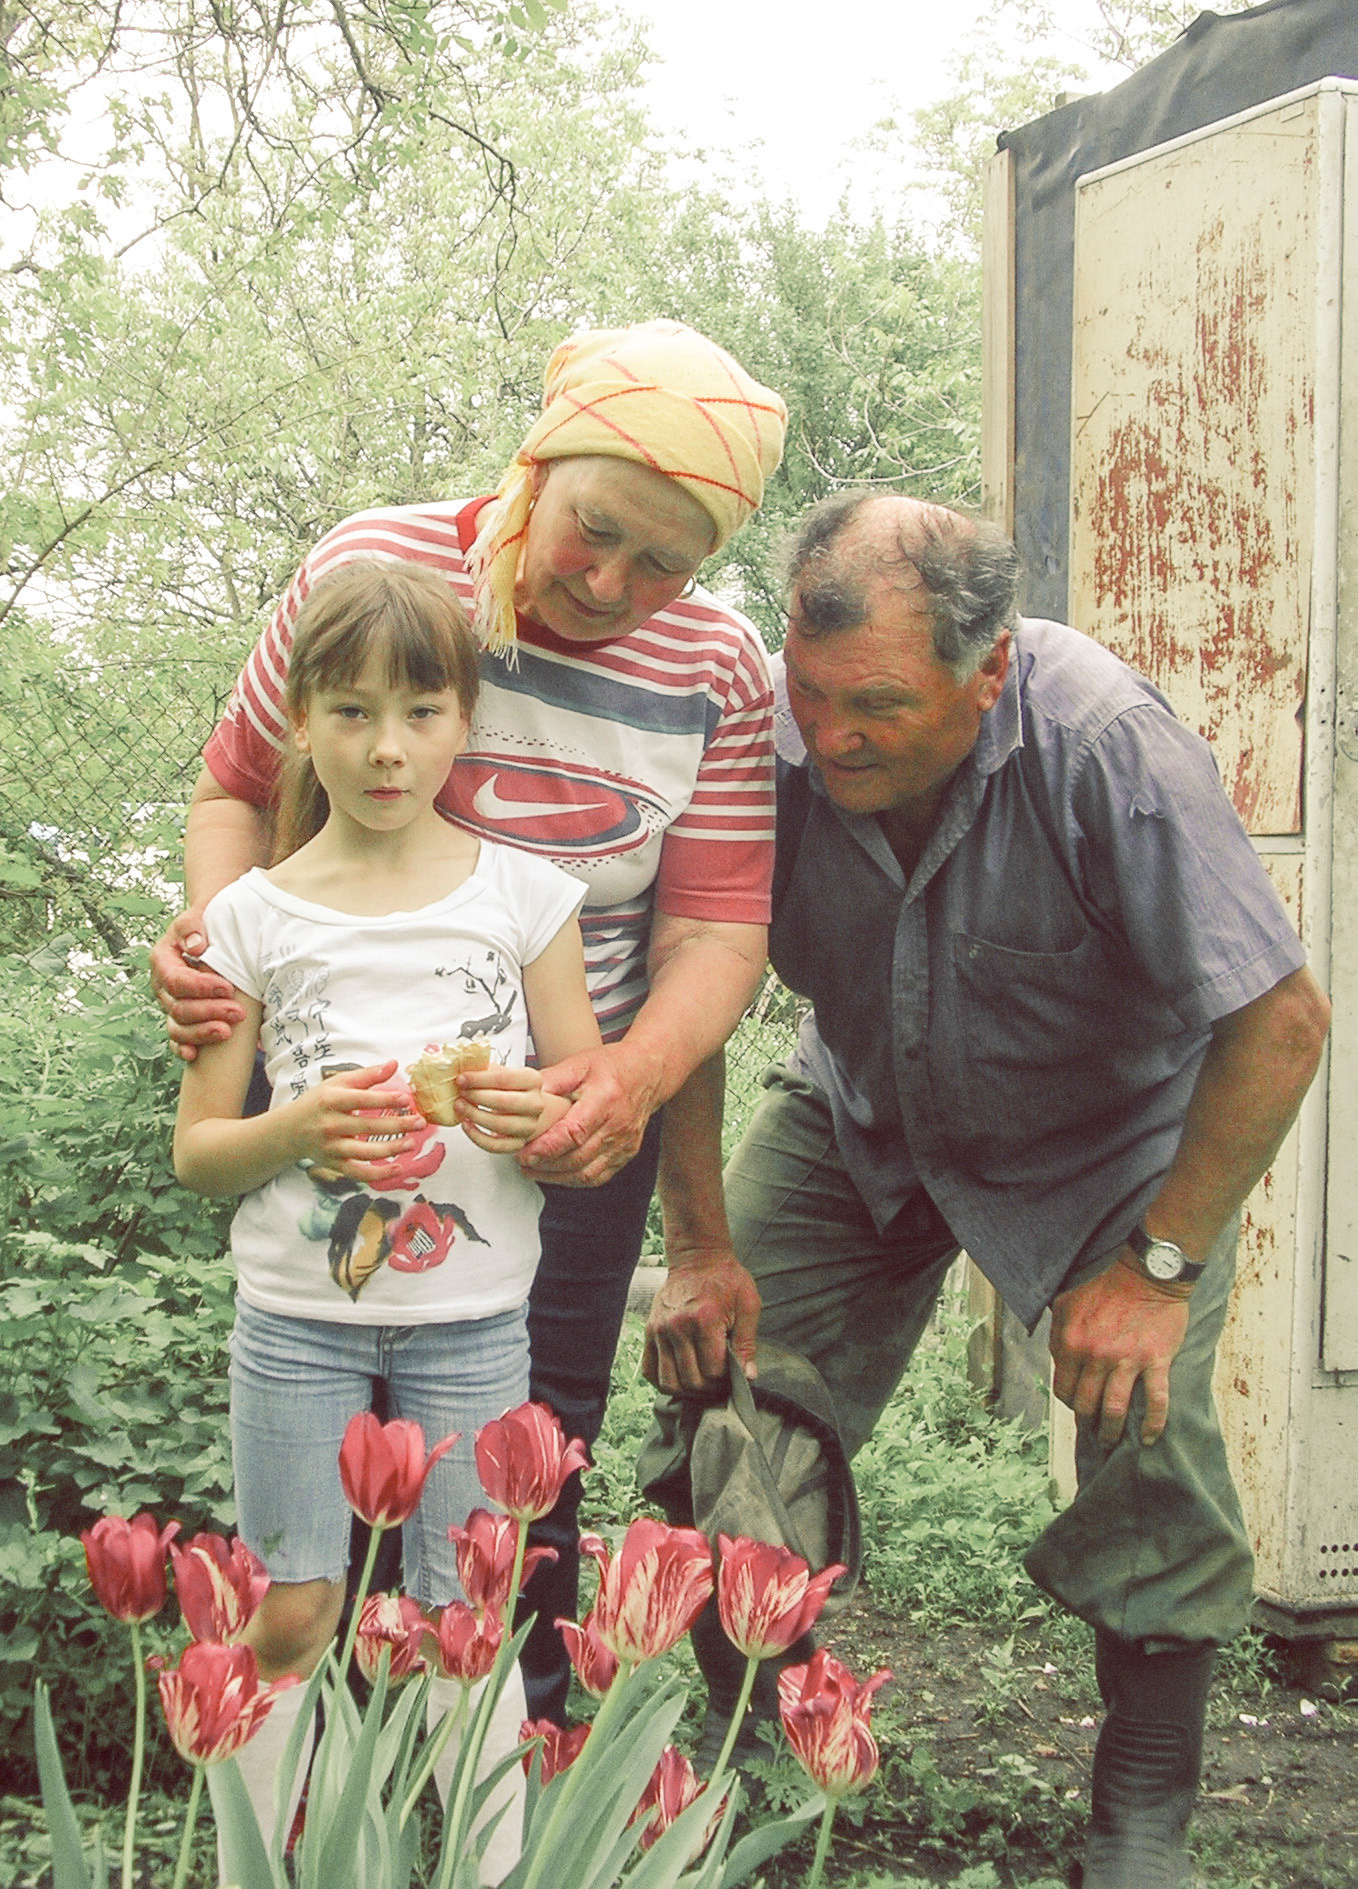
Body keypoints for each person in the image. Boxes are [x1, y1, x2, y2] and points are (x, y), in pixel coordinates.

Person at [641, 493, 1331, 1888]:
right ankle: (759, 1749)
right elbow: (683, 990)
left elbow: (1281, 1021)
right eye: (813, 690)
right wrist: (700, 1243)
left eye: (878, 704)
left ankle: (1137, 1820)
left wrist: (1154, 1270)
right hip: (861, 1110)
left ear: (989, 668)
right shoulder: (752, 740)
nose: (830, 735)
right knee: (726, 1384)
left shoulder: (1101, 743)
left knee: (1150, 1433)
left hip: (1106, 1141)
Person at [151, 319, 787, 1720]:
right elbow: (233, 792)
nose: (611, 582)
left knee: (517, 1486)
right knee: (319, 1493)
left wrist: (620, 1081)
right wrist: (212, 948)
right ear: (536, 462)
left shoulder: (722, 670)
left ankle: (508, 1784)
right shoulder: (376, 570)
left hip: (556, 1134)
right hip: (330, 1134)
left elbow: (714, 926)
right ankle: (325, 1795)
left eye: (664, 562)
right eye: (593, 529)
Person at [173, 559, 602, 1873]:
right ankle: (276, 1863)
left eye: (419, 710)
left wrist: (535, 1119)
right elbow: (200, 1152)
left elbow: (579, 1119)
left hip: (470, 1321)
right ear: (297, 720)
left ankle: (481, 1869)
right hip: (295, 1321)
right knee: (293, 1608)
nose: (384, 746)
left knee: (466, 1615)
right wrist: (299, 1130)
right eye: (350, 711)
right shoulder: (248, 917)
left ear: (463, 720)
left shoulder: (524, 899)